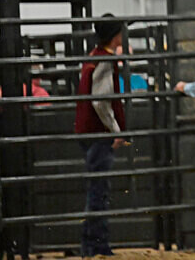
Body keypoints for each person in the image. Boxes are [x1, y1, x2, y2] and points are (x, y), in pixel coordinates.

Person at [74, 13, 127, 257]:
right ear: (116, 36)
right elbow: (101, 102)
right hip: (99, 133)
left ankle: (93, 244)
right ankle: (96, 245)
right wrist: (115, 130)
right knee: (99, 190)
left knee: (97, 187)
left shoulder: (93, 58)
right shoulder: (105, 61)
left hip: (88, 132)